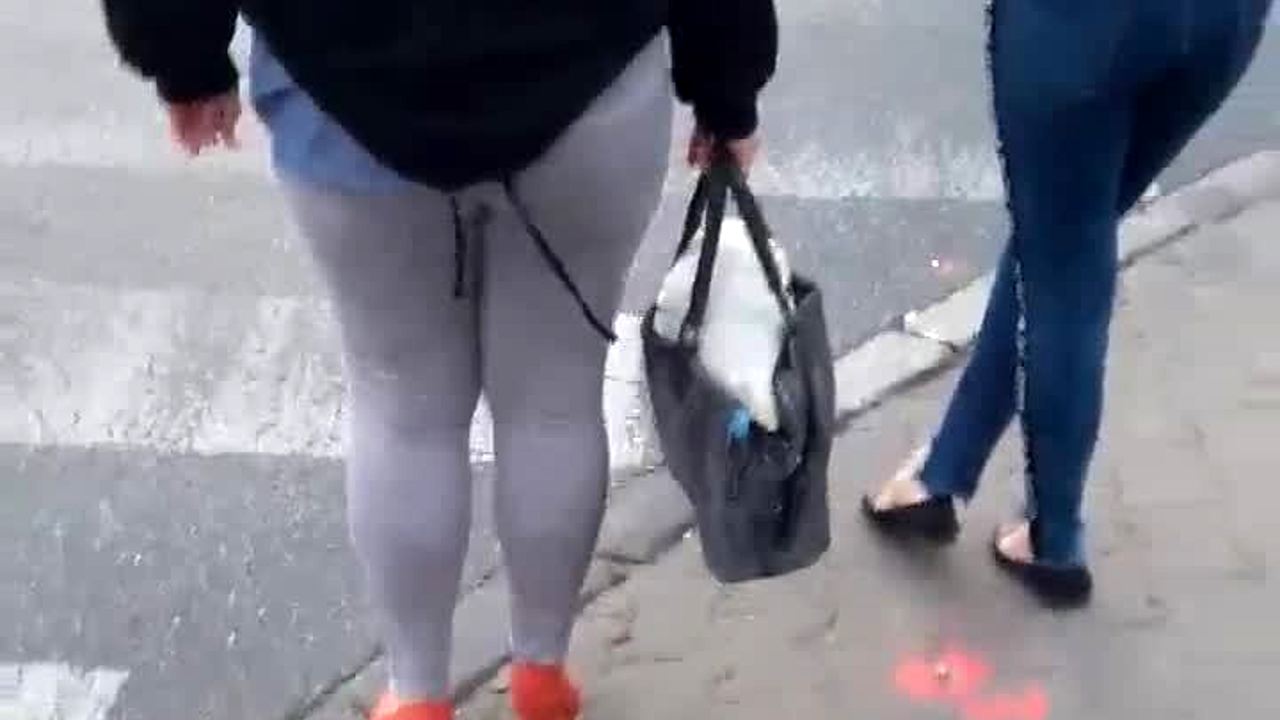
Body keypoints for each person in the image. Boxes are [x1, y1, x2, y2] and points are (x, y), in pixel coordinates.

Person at [100, 1, 777, 718]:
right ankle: (541, 672)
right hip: (588, 84)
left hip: (344, 92)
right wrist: (726, 86)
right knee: (555, 400)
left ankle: (417, 693)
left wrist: (183, 58)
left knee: (402, 408)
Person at [864, 0, 1272, 607]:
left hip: (1081, 25)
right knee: (1065, 234)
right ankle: (942, 472)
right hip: (1223, 21)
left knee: (1066, 254)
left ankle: (1053, 534)